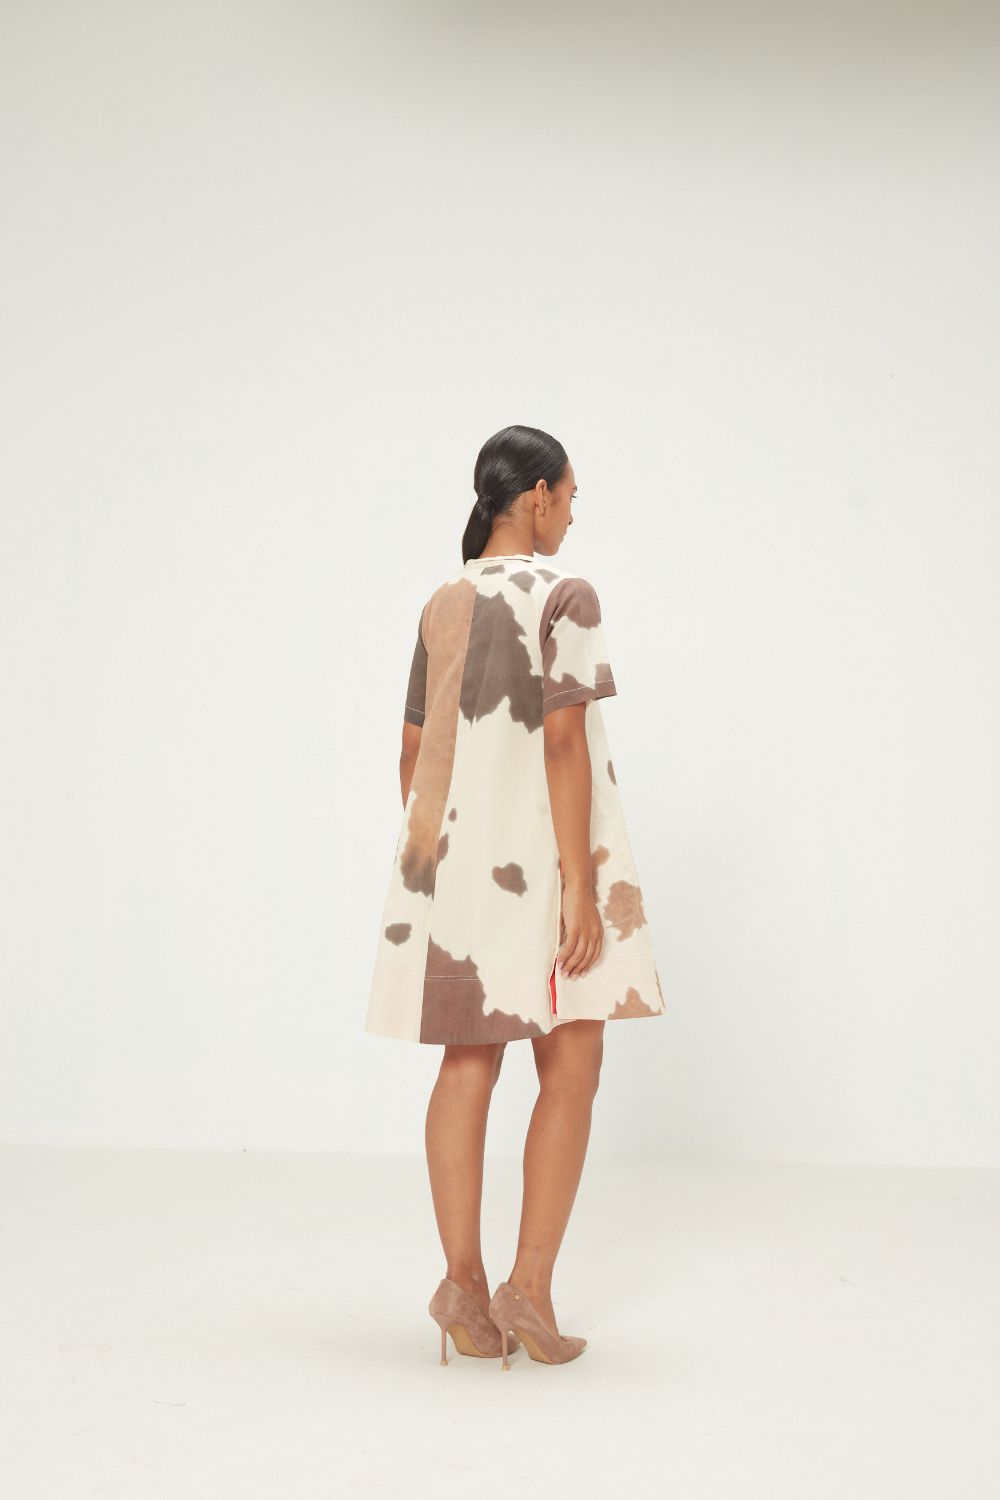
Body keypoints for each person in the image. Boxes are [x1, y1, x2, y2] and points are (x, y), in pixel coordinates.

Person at [365, 424, 664, 1369]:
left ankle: (462, 1281)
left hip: (457, 867)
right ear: (535, 495)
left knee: (467, 1063)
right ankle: (528, 1290)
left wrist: (446, 865)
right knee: (572, 1061)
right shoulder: (566, 595)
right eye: (568, 498)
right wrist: (579, 886)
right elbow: (564, 743)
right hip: (548, 861)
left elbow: (413, 752)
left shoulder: (443, 602)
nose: (571, 515)